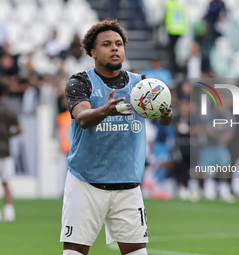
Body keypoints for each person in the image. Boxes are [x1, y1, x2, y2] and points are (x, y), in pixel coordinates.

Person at [60, 20, 173, 255]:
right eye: (107, 44)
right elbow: (82, 117)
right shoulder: (79, 82)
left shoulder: (141, 85)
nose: (114, 48)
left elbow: (162, 122)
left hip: (127, 186)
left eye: (119, 44)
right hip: (86, 183)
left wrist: (165, 115)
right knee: (74, 253)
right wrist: (105, 111)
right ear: (92, 51)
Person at [0, 83, 23, 222]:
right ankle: (9, 212)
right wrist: (9, 135)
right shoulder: (9, 110)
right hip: (5, 149)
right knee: (6, 182)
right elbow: (20, 128)